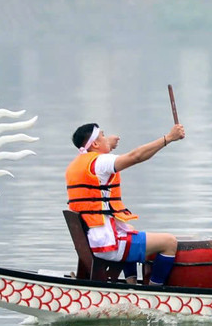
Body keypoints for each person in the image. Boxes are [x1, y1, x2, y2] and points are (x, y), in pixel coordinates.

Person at [66, 121, 185, 285]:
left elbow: (103, 169)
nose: (107, 137)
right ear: (94, 143)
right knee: (169, 242)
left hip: (95, 239)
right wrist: (169, 138)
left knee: (130, 229)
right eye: (103, 135)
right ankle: (153, 293)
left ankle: (131, 284)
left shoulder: (78, 164)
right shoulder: (100, 162)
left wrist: (107, 145)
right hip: (107, 245)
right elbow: (135, 156)